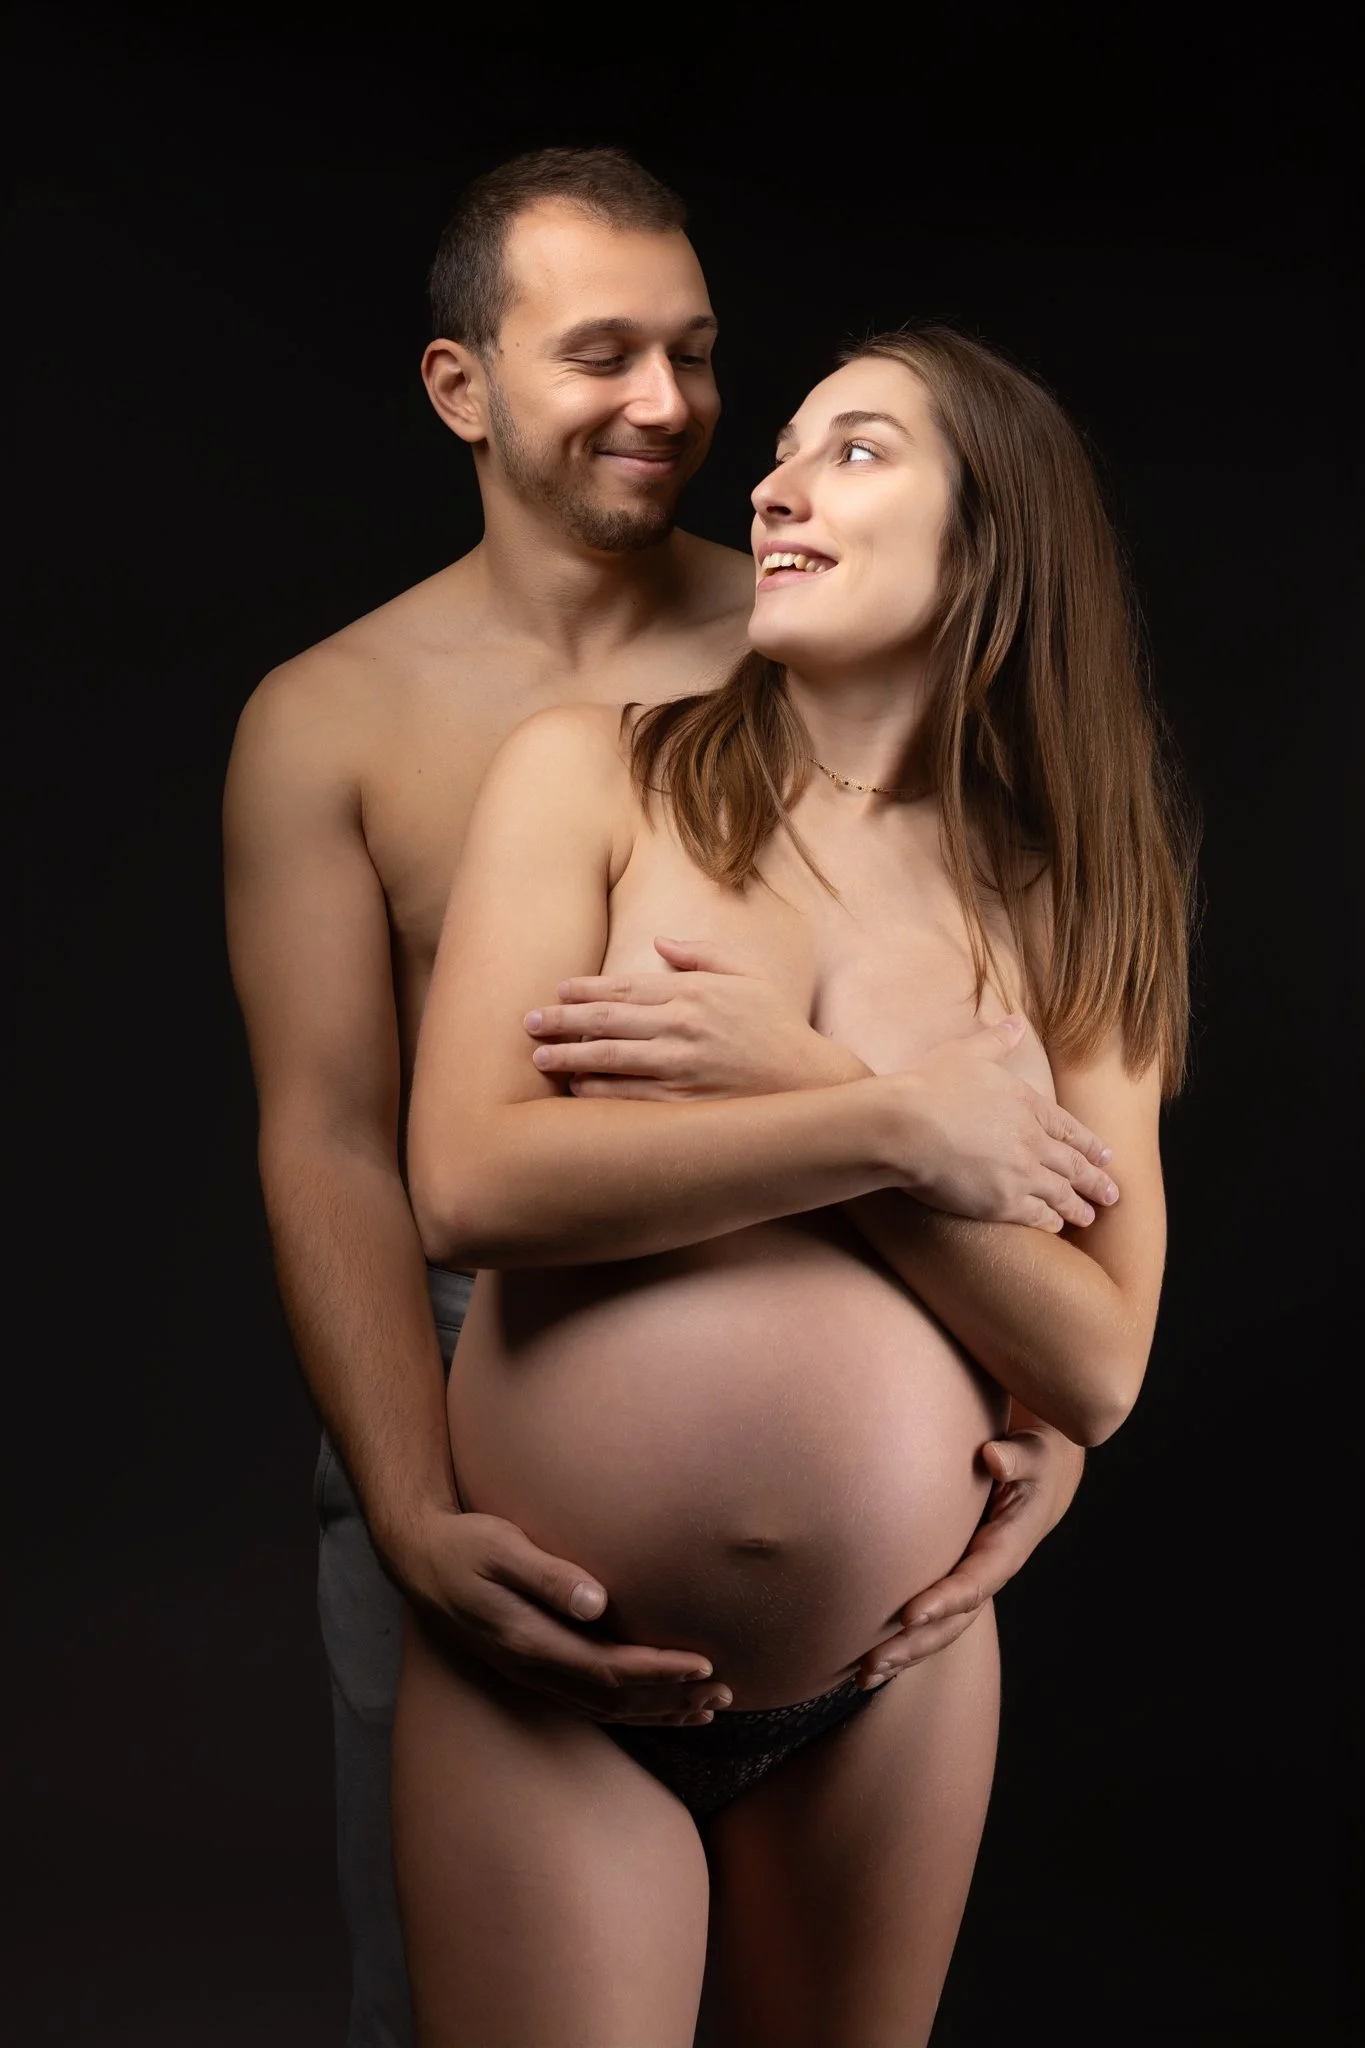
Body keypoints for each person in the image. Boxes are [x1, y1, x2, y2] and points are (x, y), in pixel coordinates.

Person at [224, 149, 1092, 2047]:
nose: (672, 407)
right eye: (602, 353)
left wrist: (1059, 1427)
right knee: (432, 1994)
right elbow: (339, 1144)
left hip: (867, 1319)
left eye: (694, 353)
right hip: (483, 1374)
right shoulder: (335, 719)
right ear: (463, 388)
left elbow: (1004, 1039)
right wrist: (408, 1501)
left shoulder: (811, 627)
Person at [396, 323, 1193, 2047]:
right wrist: (893, 1126)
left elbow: (1100, 1367)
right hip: (554, 1681)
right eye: (785, 451)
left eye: (855, 450)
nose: (766, 483)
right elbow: (469, 1184)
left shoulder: (1083, 910)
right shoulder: (596, 776)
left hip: (886, 1692)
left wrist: (812, 1081)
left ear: (989, 543)